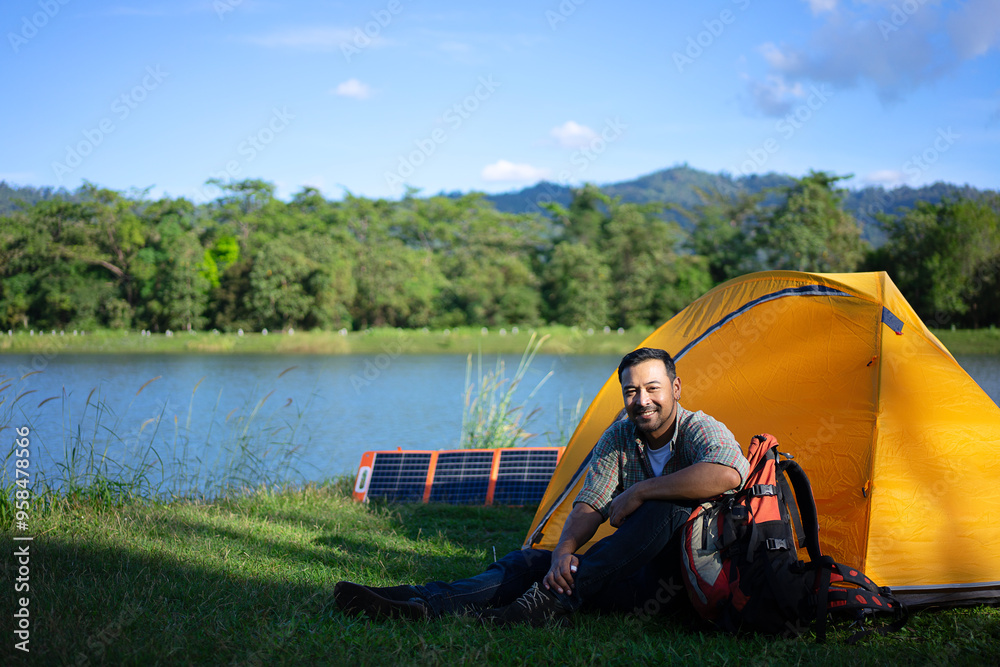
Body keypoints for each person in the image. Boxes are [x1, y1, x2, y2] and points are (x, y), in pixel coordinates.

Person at [334, 347, 750, 626]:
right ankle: (420, 602)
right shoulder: (620, 436)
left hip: (681, 585)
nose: (642, 400)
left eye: (652, 388)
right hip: (627, 575)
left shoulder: (699, 428)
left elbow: (729, 473)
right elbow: (591, 503)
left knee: (668, 505)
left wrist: (640, 491)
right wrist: (563, 553)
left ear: (675, 389)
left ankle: (545, 604)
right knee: (532, 561)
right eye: (632, 391)